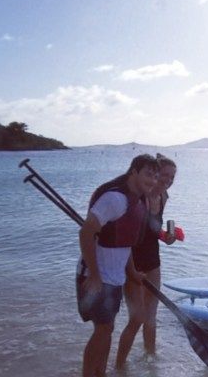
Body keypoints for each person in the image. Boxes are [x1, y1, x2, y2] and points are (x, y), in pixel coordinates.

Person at [77, 154, 158, 377]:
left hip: (114, 278)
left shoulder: (139, 200)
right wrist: (94, 274)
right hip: (96, 276)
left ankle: (99, 374)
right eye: (148, 174)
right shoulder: (115, 199)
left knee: (106, 329)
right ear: (134, 171)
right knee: (102, 330)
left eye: (155, 176)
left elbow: (125, 242)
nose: (152, 180)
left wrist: (132, 272)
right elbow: (86, 232)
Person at [116, 153, 178, 368]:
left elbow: (153, 230)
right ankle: (119, 366)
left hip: (153, 260)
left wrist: (166, 236)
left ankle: (150, 361)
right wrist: (130, 270)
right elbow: (125, 235)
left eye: (172, 177)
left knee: (151, 316)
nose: (168, 180)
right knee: (137, 318)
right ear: (154, 174)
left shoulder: (163, 197)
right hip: (131, 262)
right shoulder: (138, 197)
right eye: (164, 175)